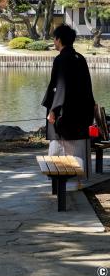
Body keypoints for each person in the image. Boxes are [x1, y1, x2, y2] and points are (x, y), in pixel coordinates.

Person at [42, 24, 95, 191]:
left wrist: (53, 109)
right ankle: (76, 181)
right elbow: (87, 87)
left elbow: (60, 86)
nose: (54, 41)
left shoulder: (62, 59)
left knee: (63, 146)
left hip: (66, 113)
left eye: (54, 38)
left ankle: (66, 181)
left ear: (59, 39)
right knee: (76, 147)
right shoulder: (80, 58)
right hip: (81, 111)